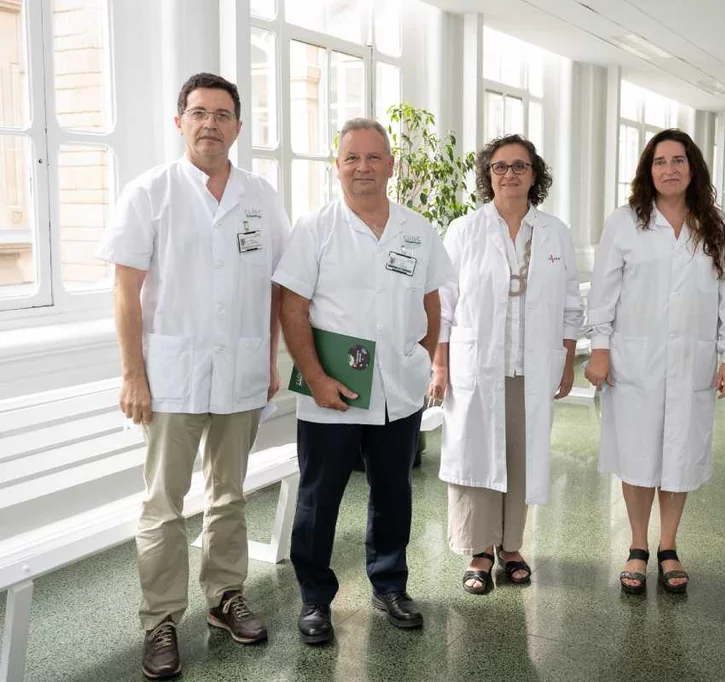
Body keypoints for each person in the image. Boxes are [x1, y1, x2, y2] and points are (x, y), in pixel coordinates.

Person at [97, 72, 289, 680]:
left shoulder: (261, 195)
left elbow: (276, 287)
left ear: (238, 125)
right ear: (179, 121)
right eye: (199, 112)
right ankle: (160, 620)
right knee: (162, 506)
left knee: (229, 495)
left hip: (239, 371)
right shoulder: (149, 192)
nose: (210, 123)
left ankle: (225, 599)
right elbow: (125, 292)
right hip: (171, 376)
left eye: (222, 114)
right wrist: (133, 373)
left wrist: (268, 358)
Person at [272, 117, 453, 644]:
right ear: (337, 166)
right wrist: (315, 377)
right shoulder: (315, 228)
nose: (363, 168)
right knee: (319, 497)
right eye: (351, 158)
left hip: (399, 390)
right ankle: (314, 599)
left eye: (374, 157)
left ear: (391, 166)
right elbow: (292, 307)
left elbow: (431, 300)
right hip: (333, 393)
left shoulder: (417, 230)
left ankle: (390, 584)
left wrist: (422, 356)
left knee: (393, 491)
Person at [584, 129, 725, 595]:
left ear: (692, 168)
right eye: (660, 161)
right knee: (637, 454)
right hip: (635, 359)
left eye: (678, 160)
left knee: (679, 456)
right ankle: (637, 545)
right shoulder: (625, 222)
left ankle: (669, 546)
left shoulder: (713, 224)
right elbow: (604, 290)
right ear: (647, 171)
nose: (669, 169)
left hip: (691, 359)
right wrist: (599, 348)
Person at [429, 134, 582, 594]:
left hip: (531, 365)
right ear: (488, 174)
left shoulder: (555, 232)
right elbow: (445, 306)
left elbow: (570, 303)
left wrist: (568, 361)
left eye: (519, 166)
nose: (509, 174)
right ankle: (478, 550)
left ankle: (512, 546)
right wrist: (440, 366)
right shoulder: (464, 230)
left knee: (521, 454)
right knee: (475, 452)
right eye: (500, 166)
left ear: (535, 174)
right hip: (477, 366)